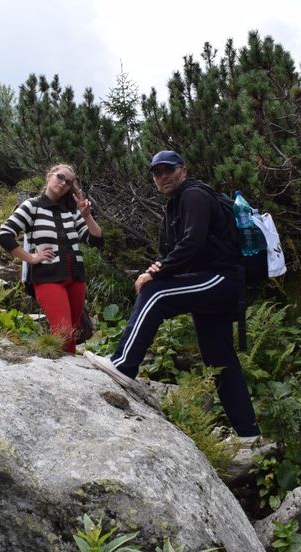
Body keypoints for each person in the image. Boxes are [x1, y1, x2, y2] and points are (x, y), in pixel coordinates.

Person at [84, 150, 261, 442]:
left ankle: (124, 363)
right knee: (219, 360)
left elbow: (192, 243)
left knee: (155, 293)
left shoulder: (194, 195)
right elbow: (171, 252)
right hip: (211, 281)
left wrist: (155, 274)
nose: (163, 176)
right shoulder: (174, 206)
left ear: (183, 170)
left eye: (168, 170)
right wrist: (158, 267)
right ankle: (249, 434)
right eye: (157, 172)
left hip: (220, 279)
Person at [0, 163, 103, 353]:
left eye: (69, 182)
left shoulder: (72, 211)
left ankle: (66, 372)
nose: (63, 183)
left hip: (76, 278)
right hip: (47, 277)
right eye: (60, 177)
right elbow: (4, 234)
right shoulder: (32, 206)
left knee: (71, 332)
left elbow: (96, 240)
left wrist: (87, 216)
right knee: (63, 332)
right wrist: (31, 258)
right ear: (49, 176)